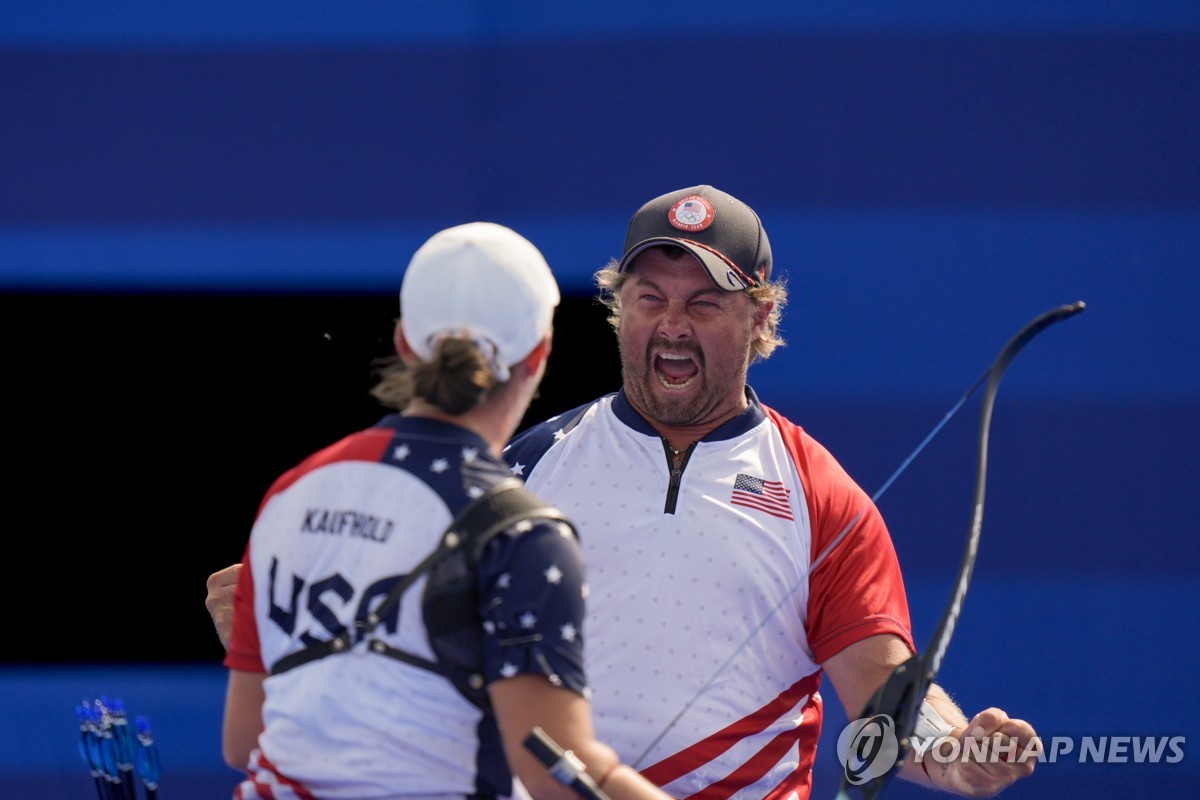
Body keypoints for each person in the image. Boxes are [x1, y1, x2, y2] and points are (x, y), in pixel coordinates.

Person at [210, 187, 1040, 799]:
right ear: (618, 311)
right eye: (650, 299)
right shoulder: (524, 469)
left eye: (704, 304)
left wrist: (956, 749)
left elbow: (881, 684)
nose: (672, 325)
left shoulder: (821, 494)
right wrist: (283, 621)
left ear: (760, 318)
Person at [217, 221, 675, 800]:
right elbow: (561, 773)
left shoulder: (292, 491)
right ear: (541, 350)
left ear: (406, 340)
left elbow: (244, 740)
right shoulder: (520, 533)